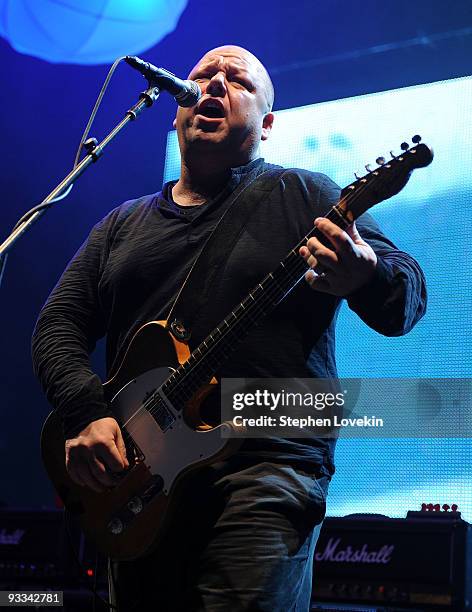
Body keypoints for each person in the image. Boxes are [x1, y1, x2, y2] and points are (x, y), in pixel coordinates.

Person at [32, 45, 427, 611]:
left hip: (265, 463)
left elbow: (406, 296)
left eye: (236, 80)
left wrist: (366, 276)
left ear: (266, 125)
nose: (214, 84)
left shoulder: (306, 195)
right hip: (142, 482)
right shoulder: (121, 225)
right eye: (202, 76)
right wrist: (88, 411)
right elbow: (57, 325)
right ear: (175, 109)